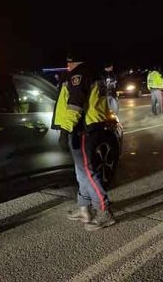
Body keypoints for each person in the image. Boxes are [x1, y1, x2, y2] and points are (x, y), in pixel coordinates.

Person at [51, 53, 116, 231]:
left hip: (82, 129)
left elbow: (75, 105)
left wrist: (65, 130)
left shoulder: (79, 75)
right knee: (81, 171)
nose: (67, 65)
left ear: (72, 61)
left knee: (87, 171)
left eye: (68, 61)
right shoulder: (93, 72)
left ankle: (104, 211)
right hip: (88, 127)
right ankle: (84, 209)